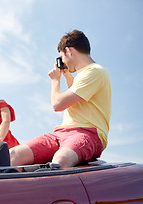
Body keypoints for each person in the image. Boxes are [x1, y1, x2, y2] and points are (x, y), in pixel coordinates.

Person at [10, 30, 111, 169]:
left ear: (69, 51)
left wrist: (55, 81)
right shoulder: (85, 74)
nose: (63, 61)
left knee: (61, 160)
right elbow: (77, 99)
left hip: (88, 133)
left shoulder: (95, 71)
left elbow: (57, 104)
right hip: (61, 133)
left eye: (62, 57)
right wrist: (68, 77)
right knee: (13, 155)